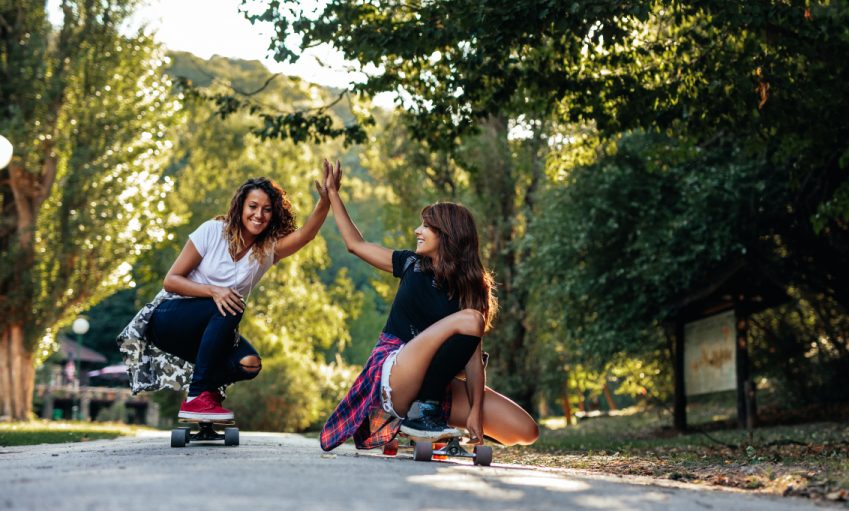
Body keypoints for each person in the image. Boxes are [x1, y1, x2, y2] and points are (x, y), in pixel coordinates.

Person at [319, 160, 539, 451]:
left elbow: (473, 361)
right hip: (397, 371)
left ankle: (429, 419)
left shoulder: (472, 289)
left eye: (425, 226)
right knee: (470, 319)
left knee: (525, 430)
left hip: (437, 386)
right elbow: (355, 244)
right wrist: (333, 194)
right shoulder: (411, 264)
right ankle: (420, 414)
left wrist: (475, 411)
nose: (416, 230)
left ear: (447, 235)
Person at [117, 169, 331, 421]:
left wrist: (325, 201)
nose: (258, 214)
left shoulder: (267, 250)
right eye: (253, 206)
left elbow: (306, 234)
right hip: (167, 318)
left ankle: (206, 391)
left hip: (210, 329)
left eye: (267, 209)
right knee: (232, 303)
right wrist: (213, 291)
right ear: (241, 206)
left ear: (273, 215)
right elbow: (171, 280)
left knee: (249, 363)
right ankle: (197, 396)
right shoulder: (212, 231)